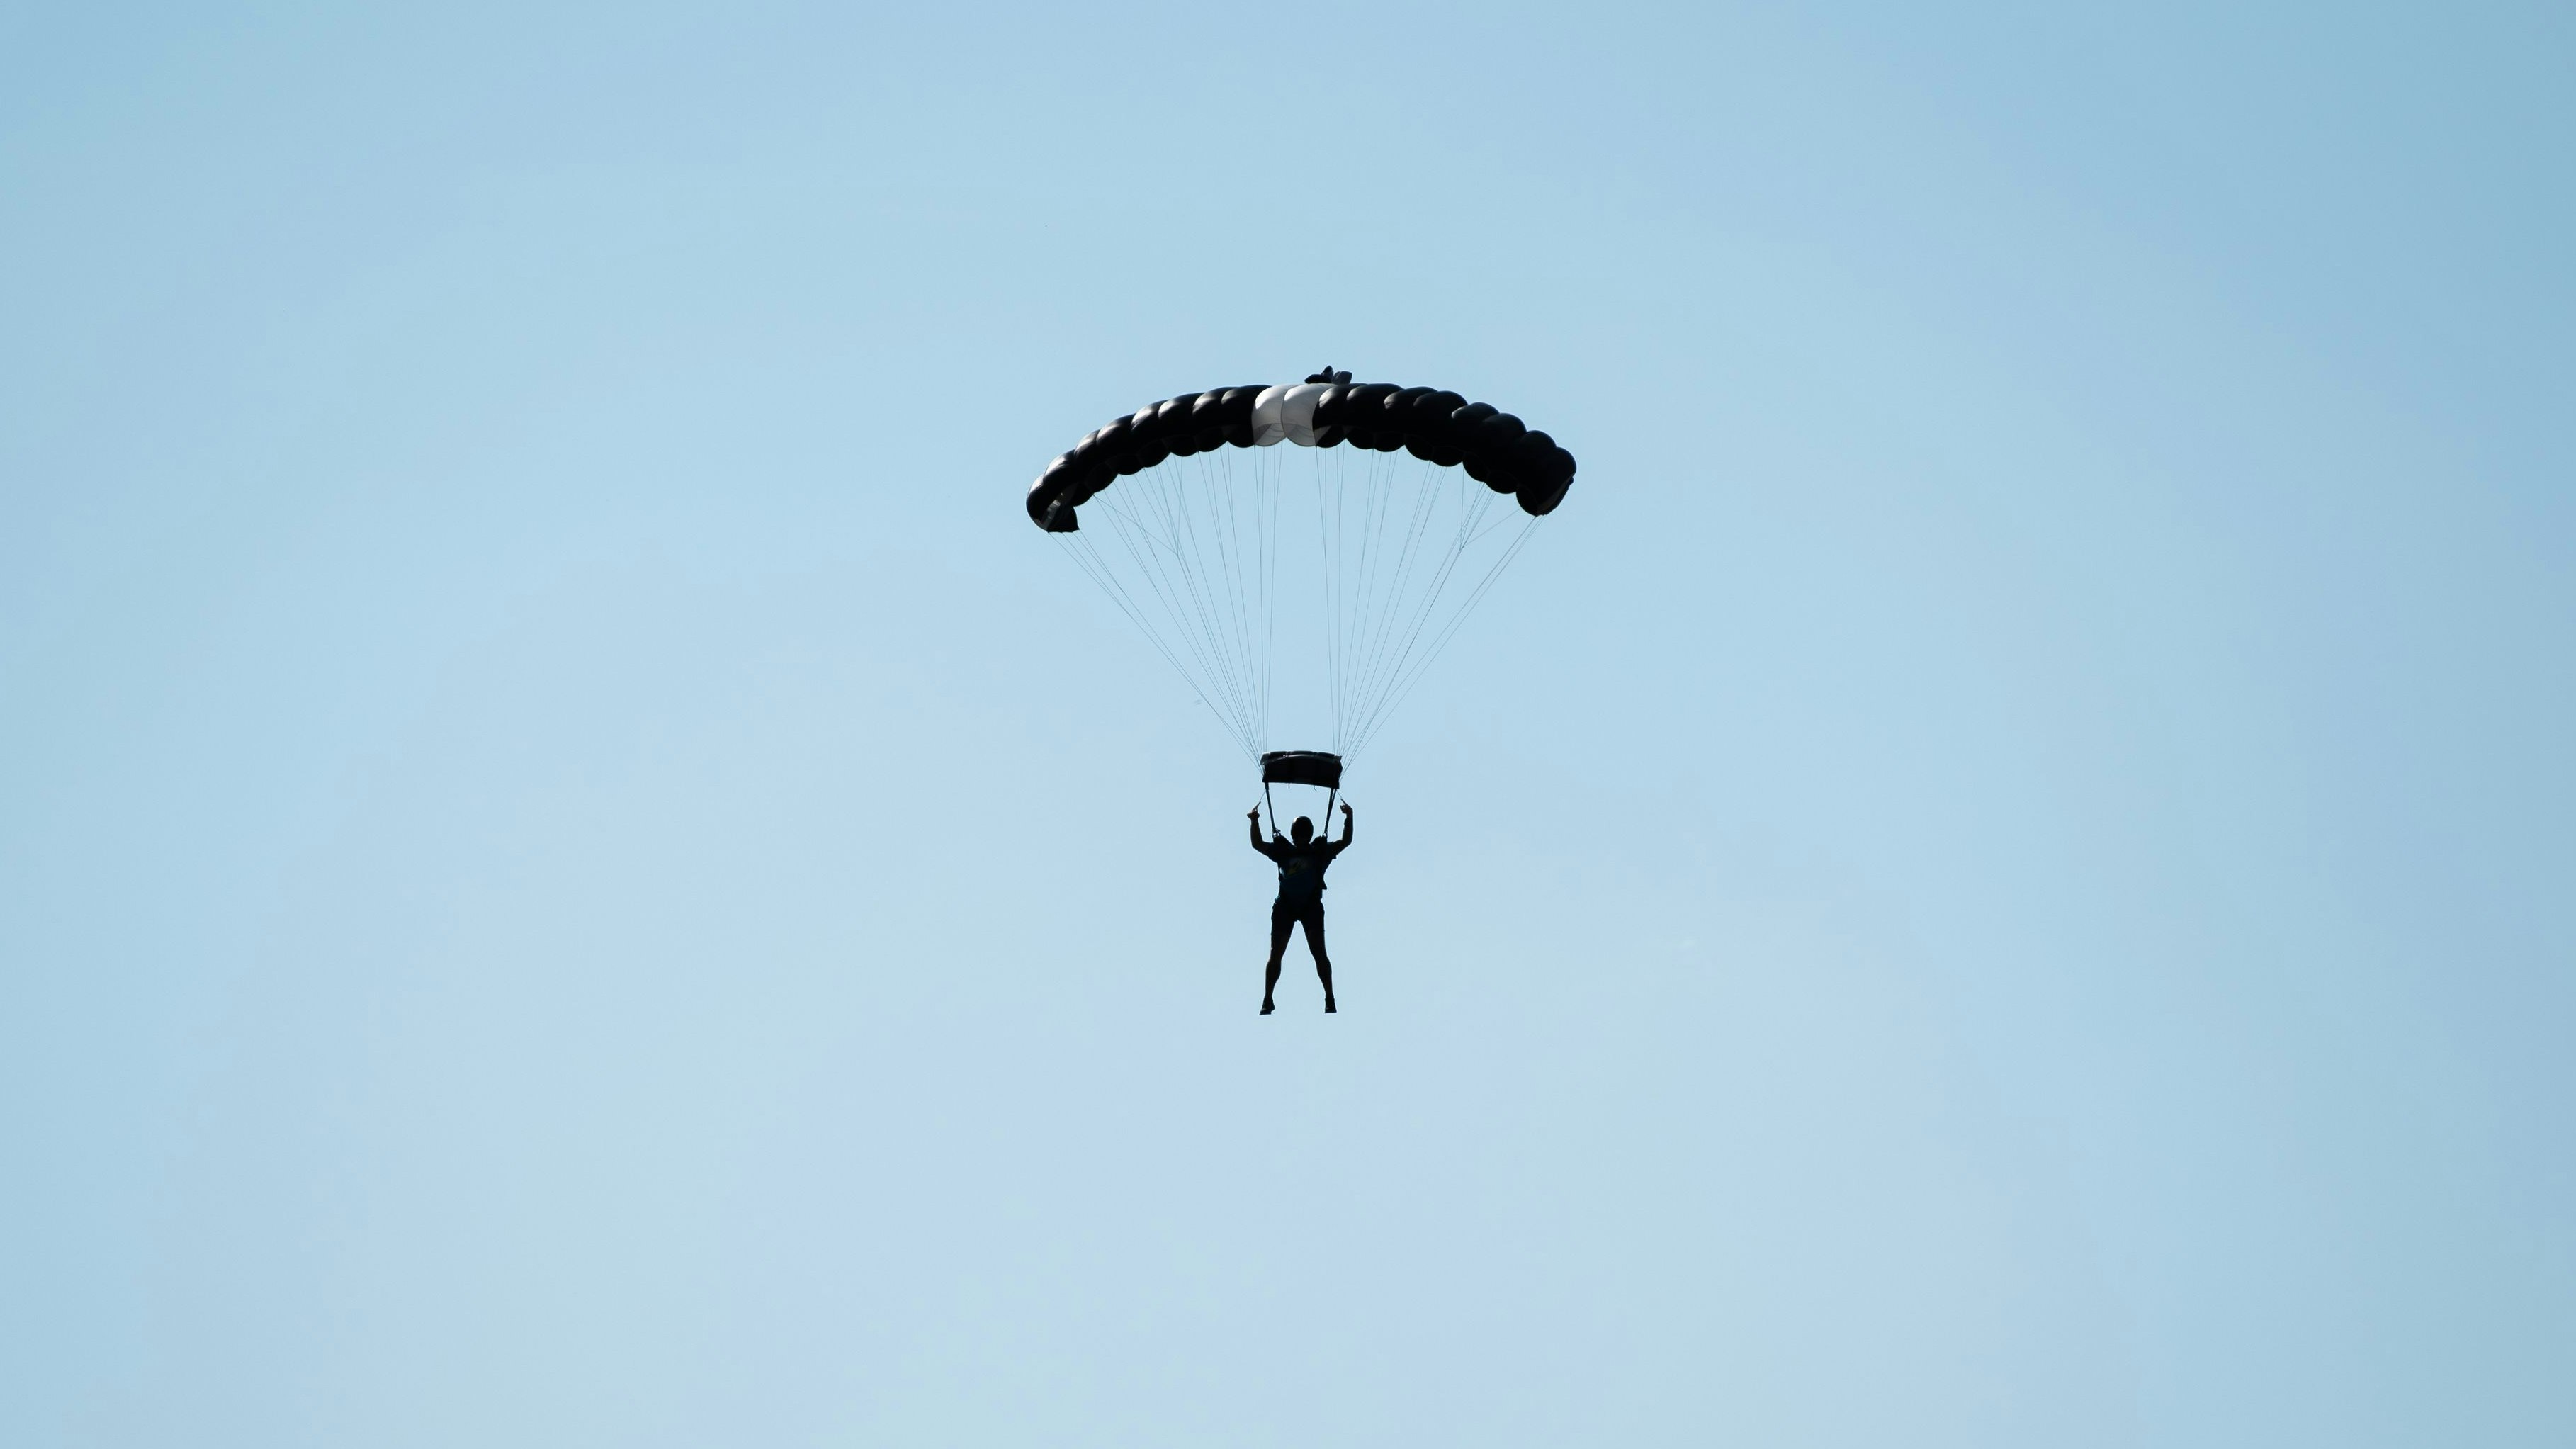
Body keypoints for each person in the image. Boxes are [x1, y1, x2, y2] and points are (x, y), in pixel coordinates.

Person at [1248, 801, 1353, 1014]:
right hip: (1293, 907)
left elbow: (1257, 844)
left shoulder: (1310, 852)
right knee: (1287, 954)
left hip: (1303, 907)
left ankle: (1326, 997)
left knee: (1306, 953)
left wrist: (1254, 821)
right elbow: (1346, 841)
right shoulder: (1304, 852)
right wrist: (1348, 817)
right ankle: (1271, 998)